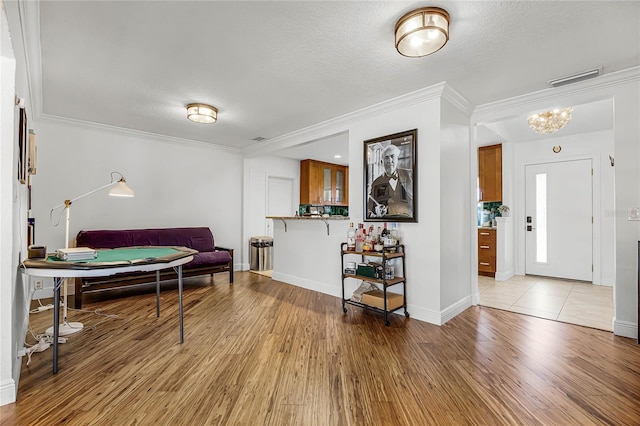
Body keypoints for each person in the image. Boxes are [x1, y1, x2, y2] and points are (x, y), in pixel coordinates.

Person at [367, 144, 413, 218]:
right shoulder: (376, 183)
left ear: (397, 159)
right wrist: (376, 213)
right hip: (387, 222)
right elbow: (368, 210)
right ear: (382, 162)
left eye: (392, 156)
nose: (389, 161)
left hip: (410, 221)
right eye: (386, 158)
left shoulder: (410, 175)